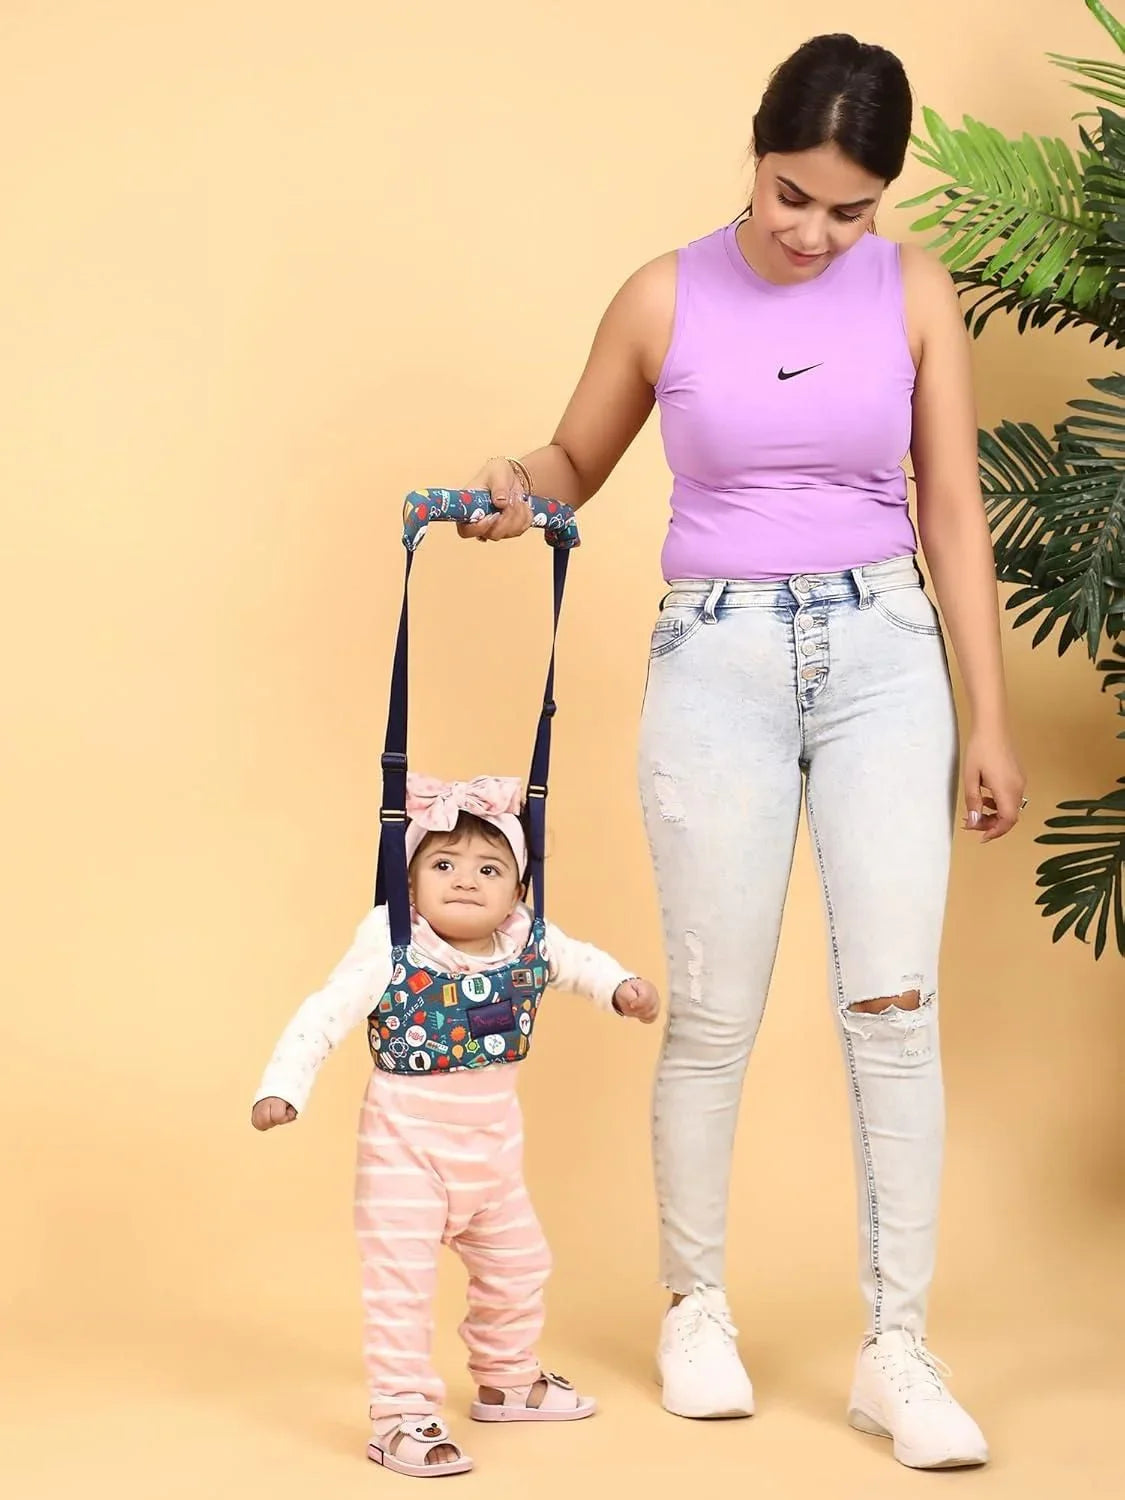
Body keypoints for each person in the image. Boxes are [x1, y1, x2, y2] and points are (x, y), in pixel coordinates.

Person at [455, 32, 1026, 1472]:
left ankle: (897, 1349)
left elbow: (953, 509)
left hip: (886, 656)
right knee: (712, 1010)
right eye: (792, 195)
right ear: (755, 154)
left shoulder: (914, 292)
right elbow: (575, 463)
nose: (814, 233)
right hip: (715, 660)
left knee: (895, 1009)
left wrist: (989, 717)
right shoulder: (663, 295)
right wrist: (515, 488)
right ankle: (693, 1309)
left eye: (851, 209)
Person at [251, 775, 661, 1478]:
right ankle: (399, 1415)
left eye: (489, 870)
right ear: (409, 883)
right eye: (443, 864)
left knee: (520, 1266)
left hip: (492, 1160)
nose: (466, 880)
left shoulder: (527, 939)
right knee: (401, 1290)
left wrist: (620, 987)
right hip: (405, 1155)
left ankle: (506, 1379)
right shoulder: (393, 943)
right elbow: (324, 1014)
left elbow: (581, 962)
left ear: (518, 890)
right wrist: (284, 1085)